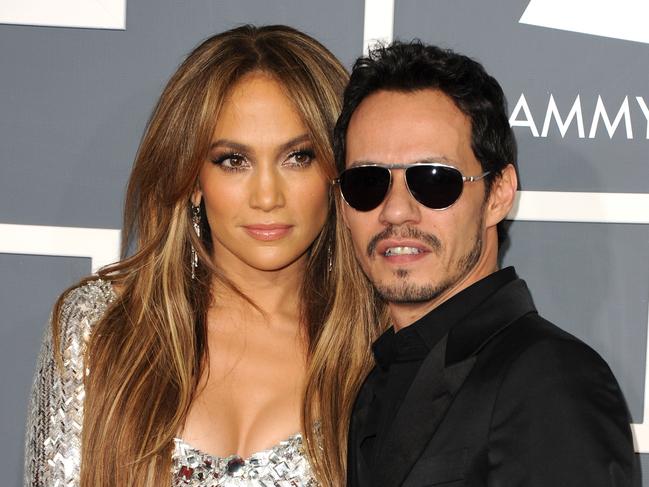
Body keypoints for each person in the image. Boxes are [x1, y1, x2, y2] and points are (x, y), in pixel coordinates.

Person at [23, 25, 381, 487]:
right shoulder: (99, 329)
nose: (267, 195)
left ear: (338, 172)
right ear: (193, 180)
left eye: (298, 157)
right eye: (234, 160)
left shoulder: (379, 345)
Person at [334, 41, 640, 486]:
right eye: (367, 182)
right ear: (343, 205)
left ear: (497, 194)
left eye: (434, 180)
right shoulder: (372, 388)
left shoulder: (549, 380)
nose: (396, 211)